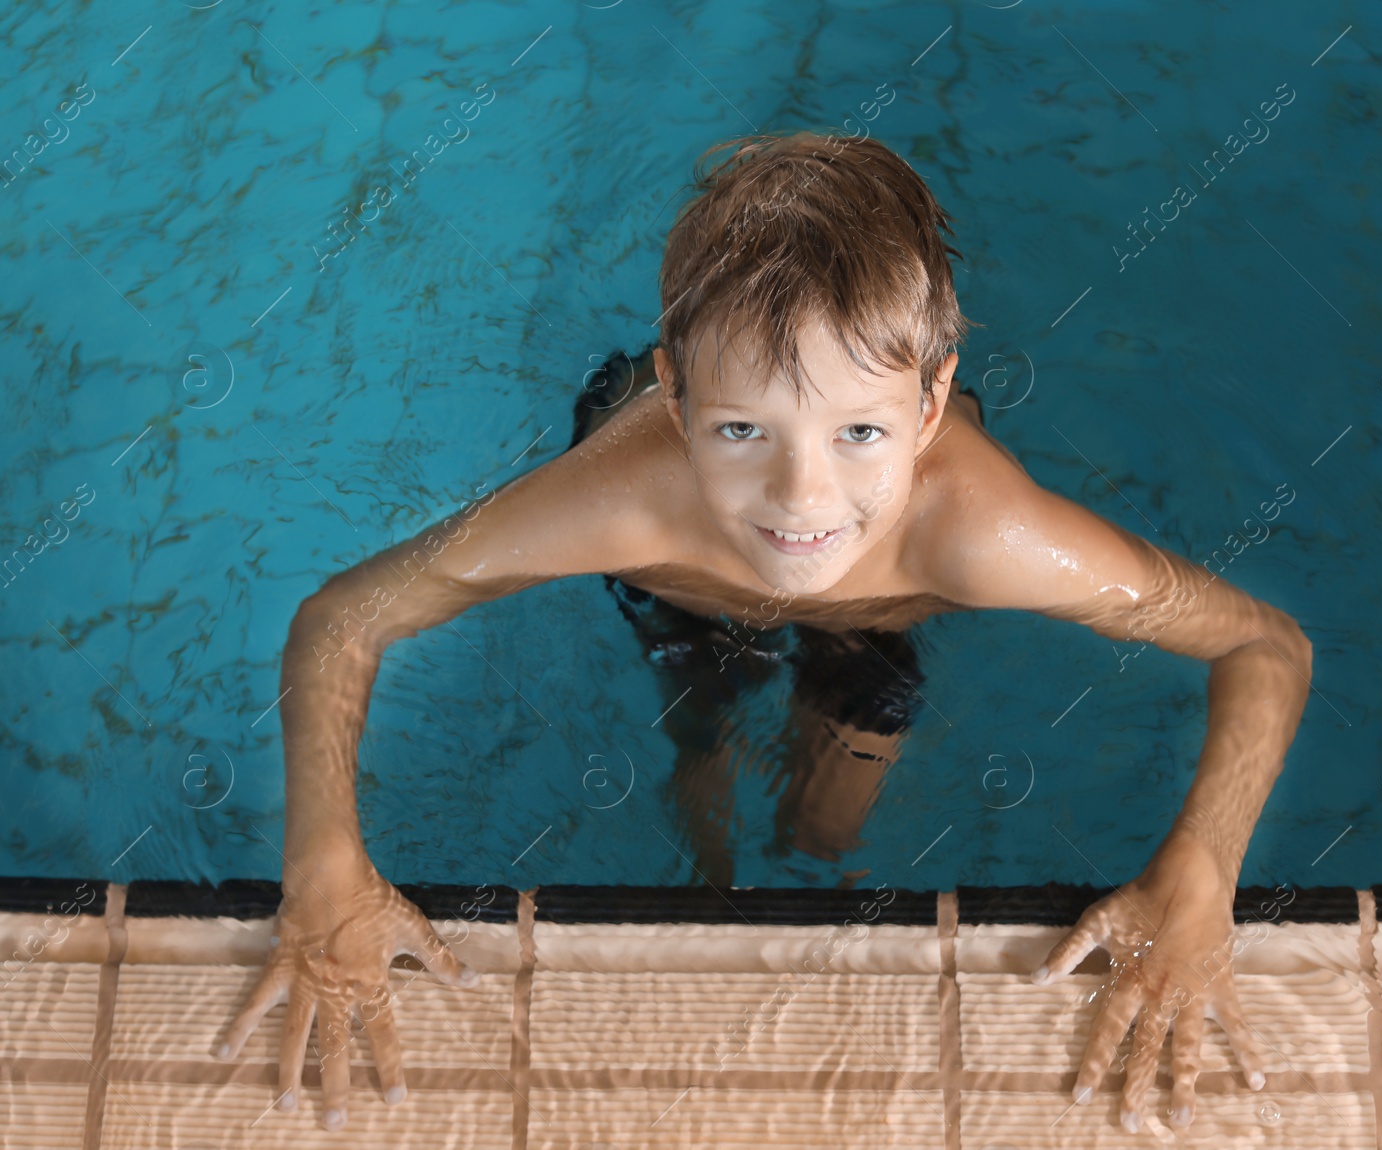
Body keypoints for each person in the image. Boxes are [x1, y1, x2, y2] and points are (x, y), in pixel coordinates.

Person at [218, 130, 1313, 1135]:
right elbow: (343, 618)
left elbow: (1264, 646)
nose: (801, 498)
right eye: (743, 428)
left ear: (931, 410)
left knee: (832, 829)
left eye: (860, 432)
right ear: (679, 394)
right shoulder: (618, 499)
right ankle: (707, 829)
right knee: (700, 734)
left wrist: (1199, 874)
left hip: (878, 615)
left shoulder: (985, 534)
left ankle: (786, 859)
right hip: (682, 590)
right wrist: (326, 868)